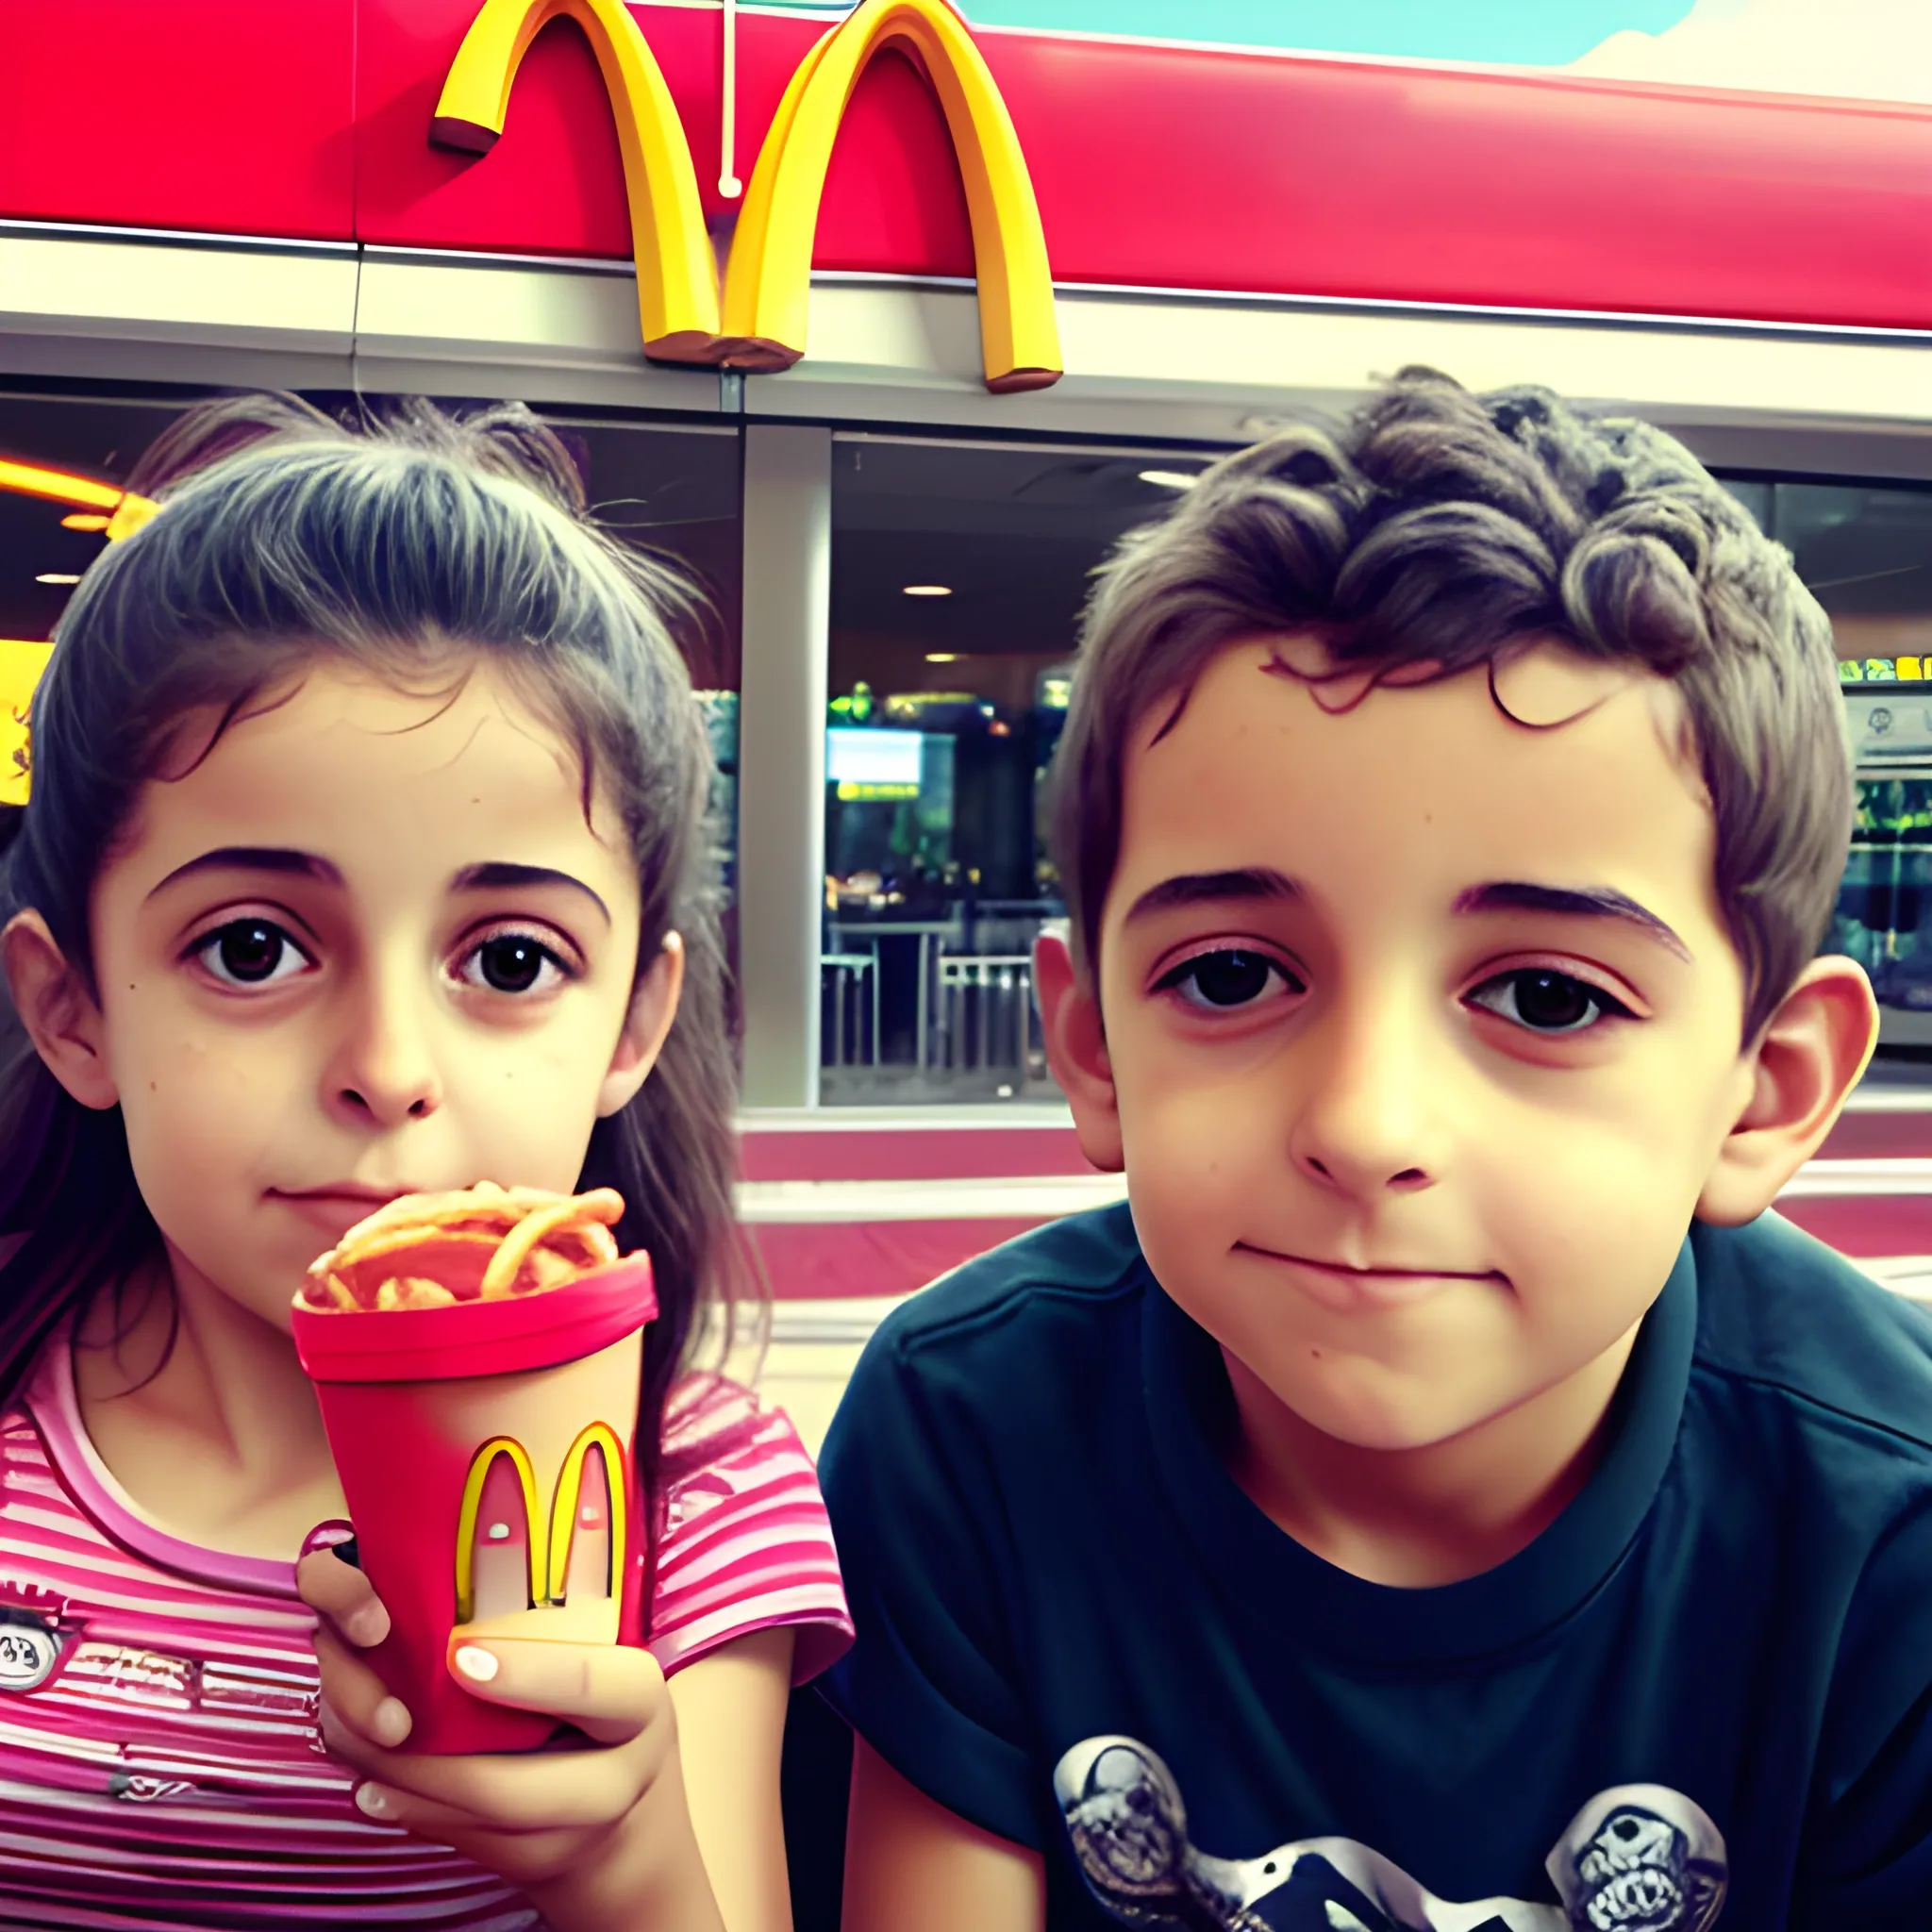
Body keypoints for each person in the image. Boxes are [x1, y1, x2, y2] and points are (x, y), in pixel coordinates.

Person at [817, 369, 1932, 1929]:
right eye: (1230, 975)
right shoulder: (967, 1434)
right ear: (1089, 1047)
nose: (1364, 1125)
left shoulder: (1890, 1536)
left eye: (1547, 995)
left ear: (1764, 1091)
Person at [0, 395, 850, 1930]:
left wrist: (619, 1858)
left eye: (510, 959)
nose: (387, 1068)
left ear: (632, 1023)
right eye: (252, 946)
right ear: (72, 1010)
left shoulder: (693, 1490)